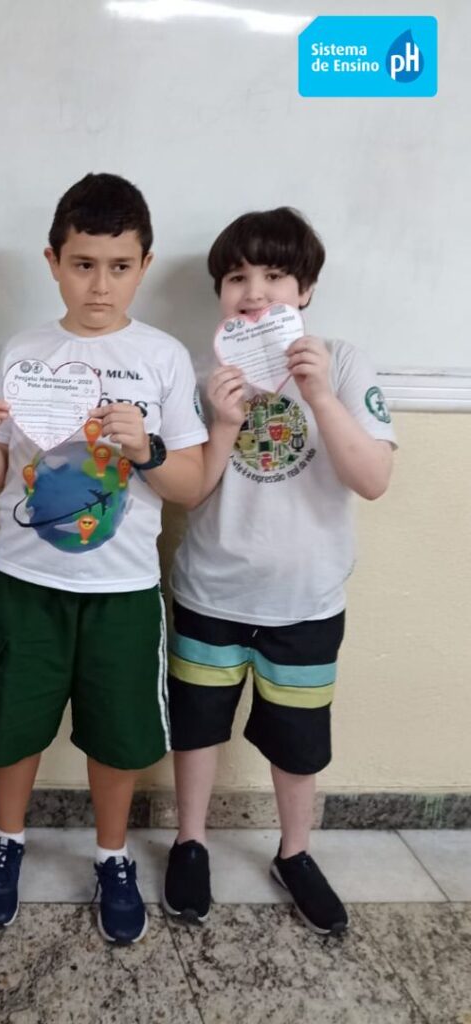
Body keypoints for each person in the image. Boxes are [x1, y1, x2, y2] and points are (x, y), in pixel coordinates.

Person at [0, 173, 207, 944]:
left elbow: (192, 484)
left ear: (144, 265)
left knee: (119, 732)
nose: (100, 285)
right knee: (14, 723)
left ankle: (111, 854)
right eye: (83, 265)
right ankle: (7, 840)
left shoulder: (163, 358)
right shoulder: (26, 352)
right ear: (53, 262)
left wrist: (147, 449)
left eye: (119, 266)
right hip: (25, 580)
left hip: (123, 587)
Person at [163, 207, 397, 935]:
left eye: (274, 275)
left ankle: (295, 852)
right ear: (220, 292)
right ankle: (190, 842)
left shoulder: (345, 363)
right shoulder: (201, 373)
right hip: (210, 591)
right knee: (197, 728)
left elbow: (373, 478)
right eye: (237, 277)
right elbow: (190, 493)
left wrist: (319, 394)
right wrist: (222, 421)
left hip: (306, 601)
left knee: (299, 742)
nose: (255, 291)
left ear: (306, 290)